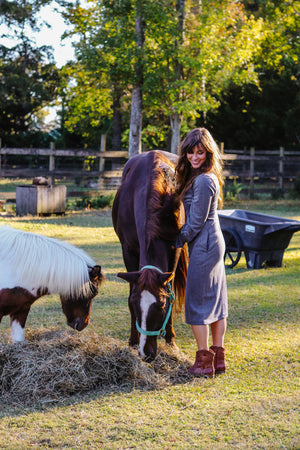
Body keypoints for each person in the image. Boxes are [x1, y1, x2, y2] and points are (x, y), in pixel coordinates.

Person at [175, 127, 228, 378]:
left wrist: (176, 240)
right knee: (217, 301)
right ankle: (218, 360)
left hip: (205, 244)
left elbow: (195, 223)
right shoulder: (201, 178)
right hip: (211, 242)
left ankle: (204, 362)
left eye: (200, 153)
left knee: (197, 302)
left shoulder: (205, 180)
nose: (195, 157)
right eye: (190, 152)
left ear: (208, 154)